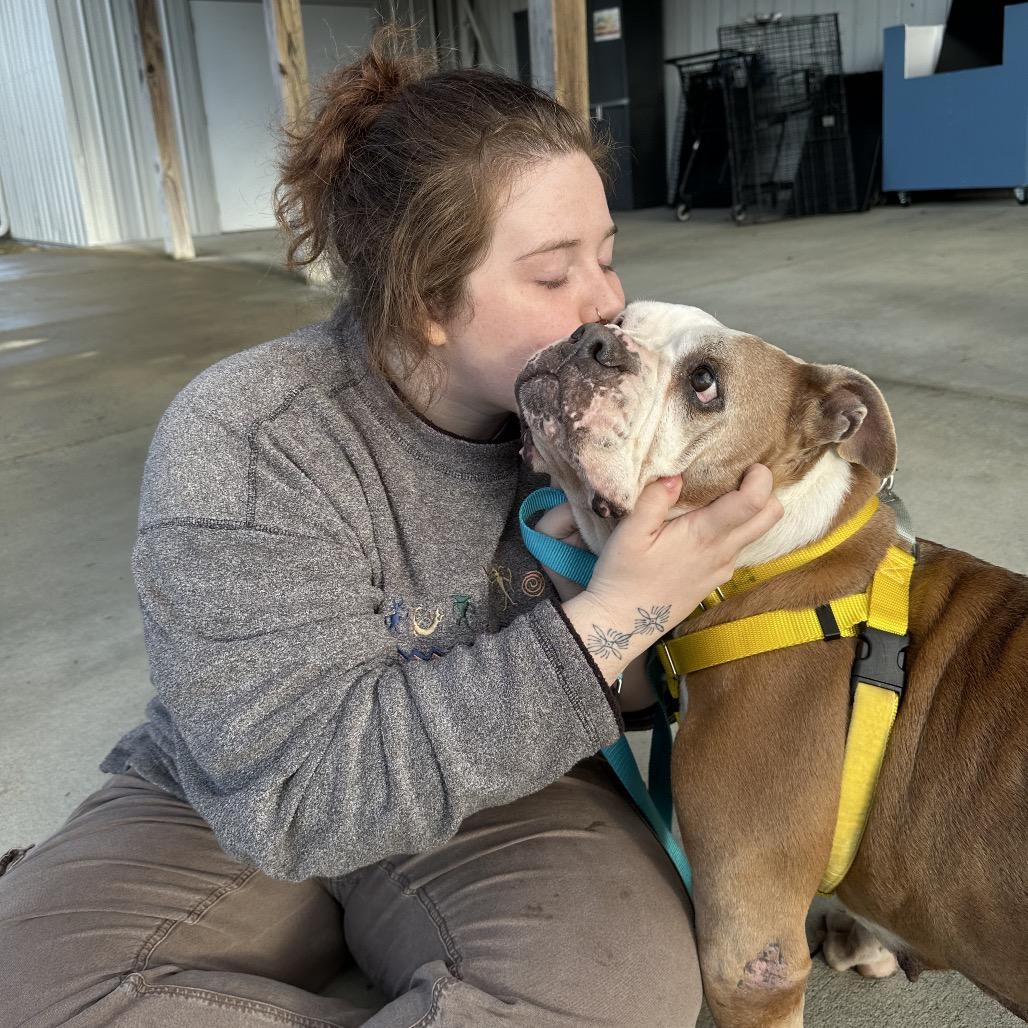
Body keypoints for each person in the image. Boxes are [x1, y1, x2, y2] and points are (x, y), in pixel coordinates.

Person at [0, 20, 782, 1027]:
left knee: (619, 988)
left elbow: (659, 699)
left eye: (607, 256)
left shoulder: (606, 414)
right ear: (423, 299)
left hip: (509, 792)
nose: (606, 308)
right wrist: (613, 618)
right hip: (241, 800)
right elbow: (295, 794)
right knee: (27, 984)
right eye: (552, 275)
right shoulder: (246, 439)